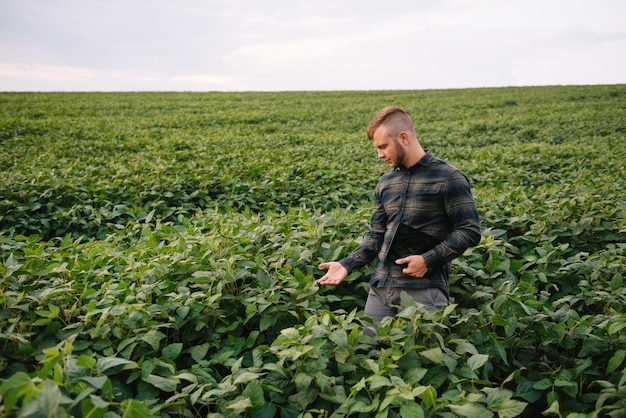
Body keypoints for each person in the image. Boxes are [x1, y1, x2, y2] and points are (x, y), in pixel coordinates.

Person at [317, 106, 481, 336]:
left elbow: (469, 230)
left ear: (403, 137)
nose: (380, 155)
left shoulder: (448, 177)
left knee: (419, 361)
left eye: (383, 146)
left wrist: (427, 260)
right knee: (366, 355)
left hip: (423, 290)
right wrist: (346, 264)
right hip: (381, 287)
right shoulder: (386, 182)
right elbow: (376, 235)